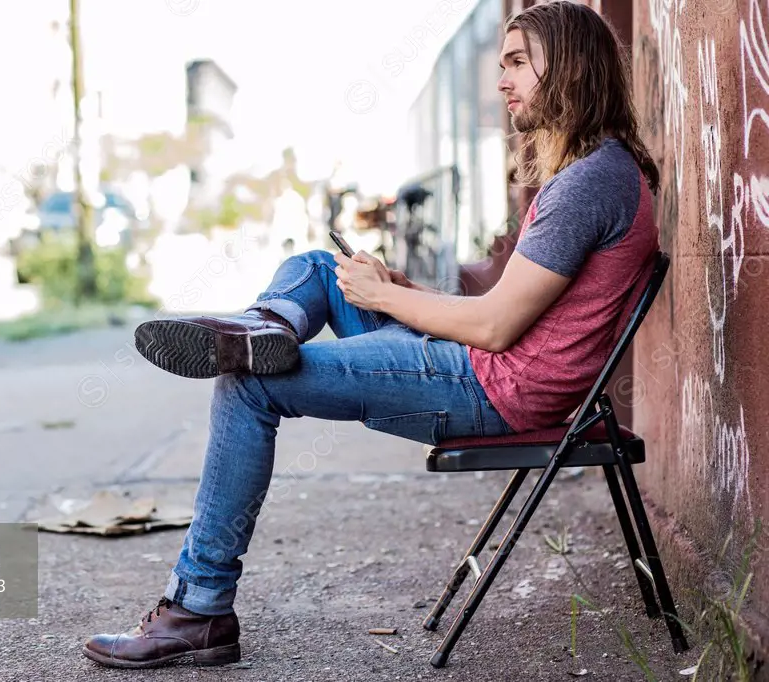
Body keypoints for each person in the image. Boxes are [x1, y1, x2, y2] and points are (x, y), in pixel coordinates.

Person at [83, 1, 661, 669]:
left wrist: (386, 297)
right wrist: (400, 290)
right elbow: (505, 308)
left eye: (517, 63)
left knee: (247, 387)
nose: (502, 81)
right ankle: (264, 325)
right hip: (484, 370)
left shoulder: (589, 183)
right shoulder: (601, 171)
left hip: (493, 389)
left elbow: (498, 326)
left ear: (572, 68)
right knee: (325, 269)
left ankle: (200, 607)